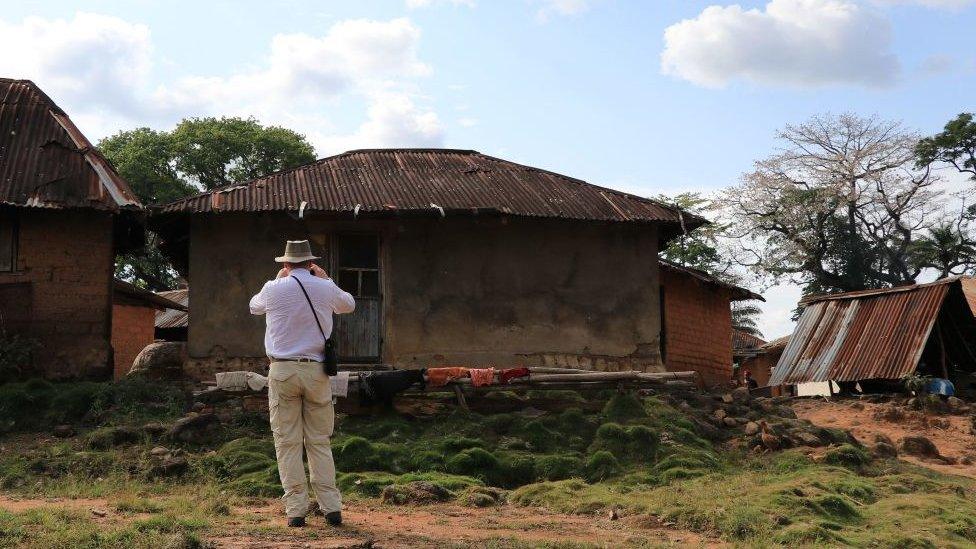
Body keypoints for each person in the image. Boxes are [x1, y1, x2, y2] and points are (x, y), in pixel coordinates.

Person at [249, 240, 356, 528]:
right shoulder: (323, 286)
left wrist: (276, 279)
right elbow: (349, 304)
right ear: (311, 263)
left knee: (287, 442)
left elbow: (254, 307)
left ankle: (296, 510)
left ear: (285, 264)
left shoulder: (273, 288)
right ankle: (331, 508)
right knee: (319, 441)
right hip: (316, 371)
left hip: (282, 371)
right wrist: (326, 278)